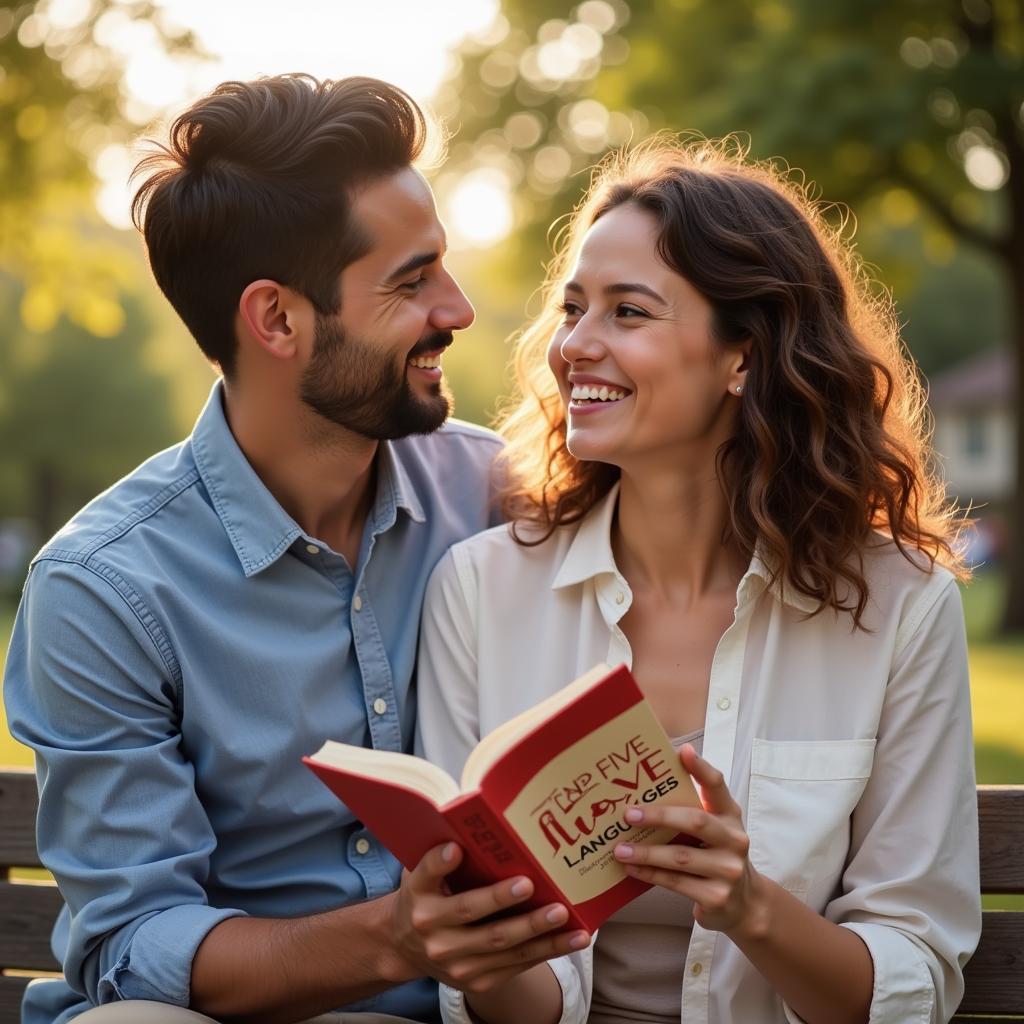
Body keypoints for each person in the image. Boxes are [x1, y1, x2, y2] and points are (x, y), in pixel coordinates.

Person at [3, 74, 589, 1024]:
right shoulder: (103, 588)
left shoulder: (497, 493)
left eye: (443, 266)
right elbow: (134, 940)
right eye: (412, 281)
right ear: (276, 319)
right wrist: (397, 938)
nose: (459, 309)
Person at [416, 138, 981, 1024]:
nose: (574, 347)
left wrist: (749, 906)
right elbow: (501, 1002)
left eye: (628, 313)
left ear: (743, 358)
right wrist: (475, 952)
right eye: (573, 309)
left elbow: (914, 974)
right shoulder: (482, 591)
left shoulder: (900, 605)